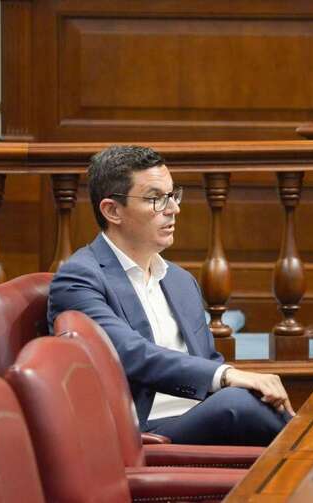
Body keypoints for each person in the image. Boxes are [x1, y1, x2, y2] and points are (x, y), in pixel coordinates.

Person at [48, 145, 292, 446]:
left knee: (251, 401)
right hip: (138, 433)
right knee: (239, 403)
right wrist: (228, 375)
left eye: (173, 195)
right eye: (155, 199)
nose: (173, 209)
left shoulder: (180, 280)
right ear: (112, 210)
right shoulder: (79, 278)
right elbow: (129, 354)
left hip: (198, 417)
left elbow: (207, 362)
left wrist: (231, 379)